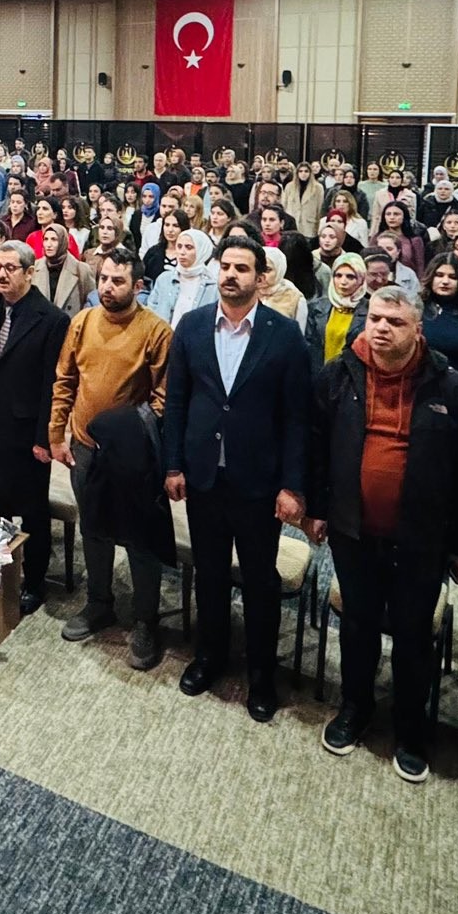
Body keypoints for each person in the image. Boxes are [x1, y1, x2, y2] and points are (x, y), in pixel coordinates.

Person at [305, 285, 458, 778]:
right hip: (352, 531)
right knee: (357, 624)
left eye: (395, 322)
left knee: (411, 635)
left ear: (417, 329)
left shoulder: (452, 388)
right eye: (375, 318)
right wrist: (315, 509)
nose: (381, 328)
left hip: (422, 537)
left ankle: (410, 728)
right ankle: (355, 708)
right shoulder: (337, 376)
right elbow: (316, 447)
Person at [162, 234, 309, 723]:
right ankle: (210, 657)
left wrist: (293, 485)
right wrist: (173, 464)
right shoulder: (192, 326)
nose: (230, 275)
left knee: (261, 582)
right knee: (209, 574)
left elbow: (297, 418)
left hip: (257, 480)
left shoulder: (283, 334)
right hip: (204, 474)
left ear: (260, 278)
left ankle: (262, 676)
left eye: (242, 268)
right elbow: (178, 401)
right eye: (225, 266)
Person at [49, 247, 174, 668]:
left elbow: (164, 398)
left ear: (138, 285)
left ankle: (144, 621)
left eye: (117, 280)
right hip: (84, 448)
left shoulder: (156, 331)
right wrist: (56, 434)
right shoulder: (82, 322)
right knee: (94, 529)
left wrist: (126, 432)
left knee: (140, 540)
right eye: (103, 278)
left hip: (133, 456)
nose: (107, 286)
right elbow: (65, 379)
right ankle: (99, 603)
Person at [0, 241, 69, 615]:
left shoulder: (52, 319)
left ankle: (34, 581)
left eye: (10, 268)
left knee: (31, 511)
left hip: (26, 434)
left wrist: (45, 438)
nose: (2, 274)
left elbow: (52, 386)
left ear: (29, 272)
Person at [304, 253, 365, 370]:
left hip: (351, 378)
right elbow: (309, 346)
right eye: (338, 275)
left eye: (350, 277)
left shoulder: (370, 311)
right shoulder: (316, 307)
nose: (343, 282)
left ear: (361, 280)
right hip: (319, 376)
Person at [145, 228, 217, 323]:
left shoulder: (213, 286)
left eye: (189, 247)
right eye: (179, 246)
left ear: (201, 250)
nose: (182, 252)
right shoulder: (164, 279)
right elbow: (151, 311)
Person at [32, 222, 89, 315]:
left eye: (54, 239)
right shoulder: (35, 268)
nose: (48, 244)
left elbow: (90, 304)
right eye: (46, 239)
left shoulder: (81, 270)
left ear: (63, 241)